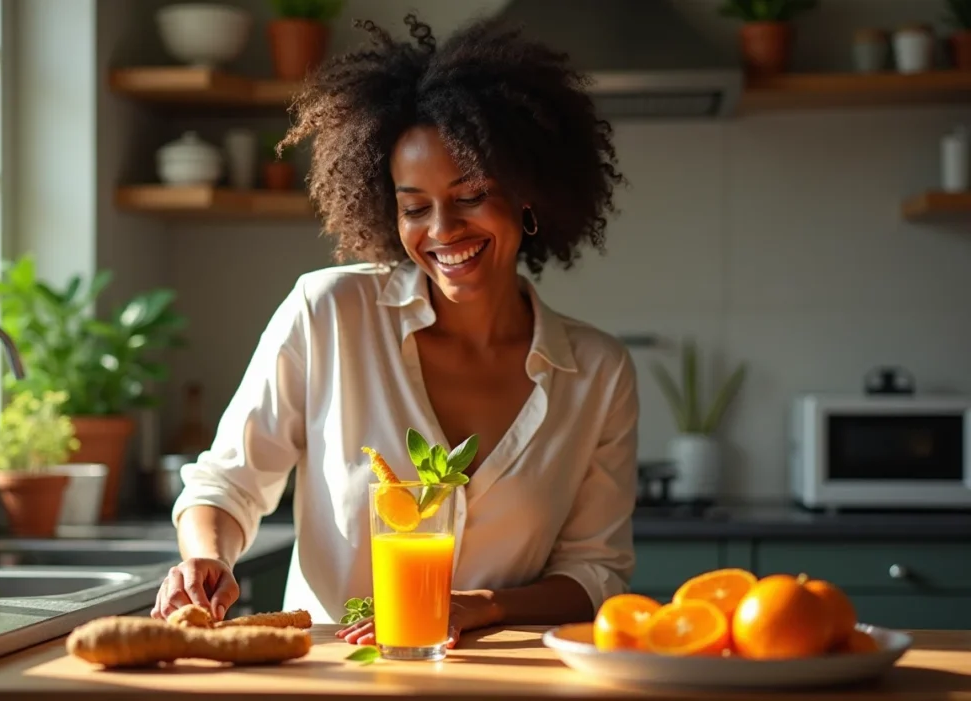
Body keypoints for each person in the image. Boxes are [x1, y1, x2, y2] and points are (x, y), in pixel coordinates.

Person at [154, 12, 639, 648]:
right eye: (414, 207)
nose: (442, 231)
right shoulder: (328, 312)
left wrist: (481, 606)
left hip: (505, 681)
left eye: (470, 196)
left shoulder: (598, 374)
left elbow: (596, 571)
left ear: (530, 195)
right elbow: (228, 482)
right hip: (333, 678)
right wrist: (206, 558)